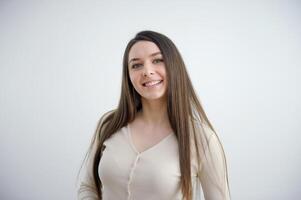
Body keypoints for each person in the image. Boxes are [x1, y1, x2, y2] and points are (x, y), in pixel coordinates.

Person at [77, 30, 231, 200]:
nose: (147, 71)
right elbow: (88, 187)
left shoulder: (202, 139)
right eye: (136, 65)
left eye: (157, 60)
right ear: (128, 75)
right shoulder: (109, 124)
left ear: (174, 66)